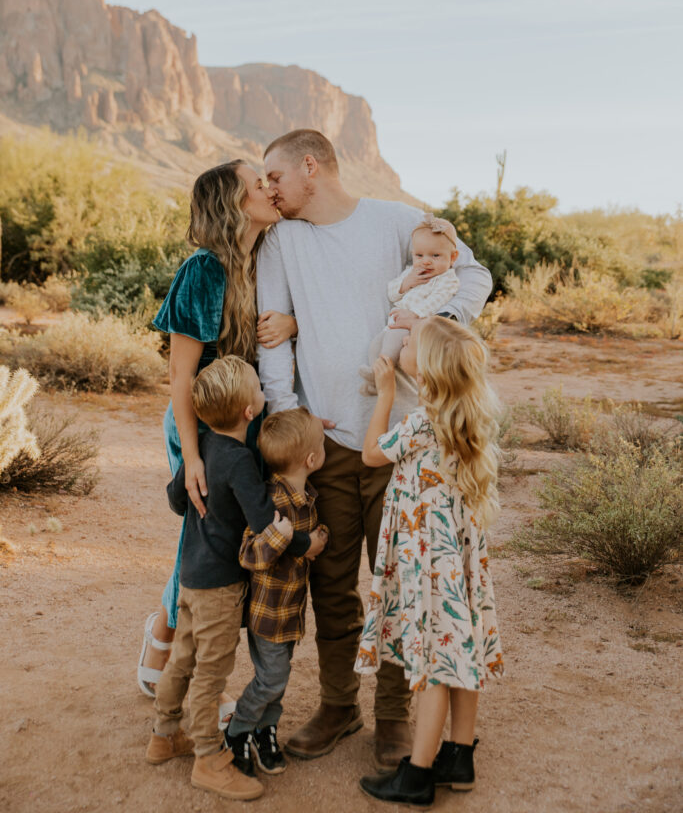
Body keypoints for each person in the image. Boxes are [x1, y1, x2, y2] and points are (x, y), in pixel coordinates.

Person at [256, 129, 493, 769]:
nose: (268, 189)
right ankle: (339, 705)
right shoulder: (280, 242)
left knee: (396, 580)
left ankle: (393, 715)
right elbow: (272, 336)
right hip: (326, 443)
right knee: (330, 579)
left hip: (403, 442)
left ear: (311, 166)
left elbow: (475, 273)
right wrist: (287, 417)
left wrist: (432, 323)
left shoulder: (399, 221)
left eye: (274, 176)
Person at [137, 161, 324, 699]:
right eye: (257, 183)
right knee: (205, 531)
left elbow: (300, 317)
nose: (269, 187)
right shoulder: (203, 270)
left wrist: (294, 322)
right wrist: (193, 459)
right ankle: (165, 635)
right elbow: (180, 376)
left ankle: (199, 660)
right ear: (233, 203)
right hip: (202, 423)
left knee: (237, 533)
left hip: (248, 422)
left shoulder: (267, 257)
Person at [356, 317, 504, 807]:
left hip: (429, 558)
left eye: (413, 341)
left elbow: (373, 454)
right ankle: (458, 757)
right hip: (458, 557)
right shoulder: (464, 414)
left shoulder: (422, 421)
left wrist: (382, 394)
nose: (403, 341)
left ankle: (417, 774)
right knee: (463, 651)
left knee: (437, 663)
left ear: (428, 369)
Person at [145, 355, 275, 801]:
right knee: (211, 674)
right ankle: (208, 758)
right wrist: (301, 541)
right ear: (249, 411)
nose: (264, 393)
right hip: (221, 586)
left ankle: (164, 735)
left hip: (191, 578)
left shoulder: (200, 450)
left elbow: (177, 500)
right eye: (260, 388)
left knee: (183, 658)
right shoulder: (240, 460)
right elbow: (263, 522)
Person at [224, 407, 328, 777]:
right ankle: (237, 731)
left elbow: (314, 536)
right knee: (272, 678)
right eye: (322, 442)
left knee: (278, 676)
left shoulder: (308, 497)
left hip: (291, 612)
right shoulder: (271, 501)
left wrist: (317, 540)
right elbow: (249, 553)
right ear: (312, 459)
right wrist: (282, 538)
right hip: (267, 613)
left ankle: (265, 730)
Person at [358, 213, 460, 395]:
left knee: (390, 347)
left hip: (412, 325)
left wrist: (415, 314)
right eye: (419, 255)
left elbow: (438, 299)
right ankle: (376, 380)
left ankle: (382, 371)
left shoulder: (448, 279)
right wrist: (407, 283)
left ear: (452, 258)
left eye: (435, 255)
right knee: (375, 345)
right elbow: (392, 293)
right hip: (395, 321)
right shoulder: (411, 272)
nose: (426, 261)